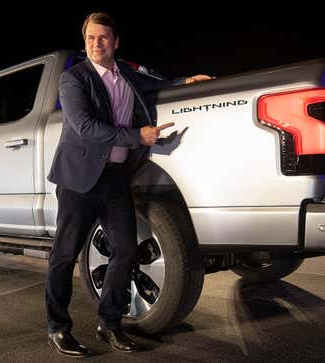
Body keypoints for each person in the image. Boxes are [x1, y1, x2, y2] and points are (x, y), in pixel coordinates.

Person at [45, 12, 211, 357]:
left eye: (103, 38)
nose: (96, 44)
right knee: (64, 254)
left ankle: (109, 324)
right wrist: (139, 136)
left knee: (125, 250)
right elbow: (85, 127)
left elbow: (156, 85)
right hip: (79, 180)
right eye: (90, 38)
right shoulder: (74, 79)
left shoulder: (128, 76)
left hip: (116, 178)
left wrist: (185, 83)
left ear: (115, 42)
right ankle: (58, 328)